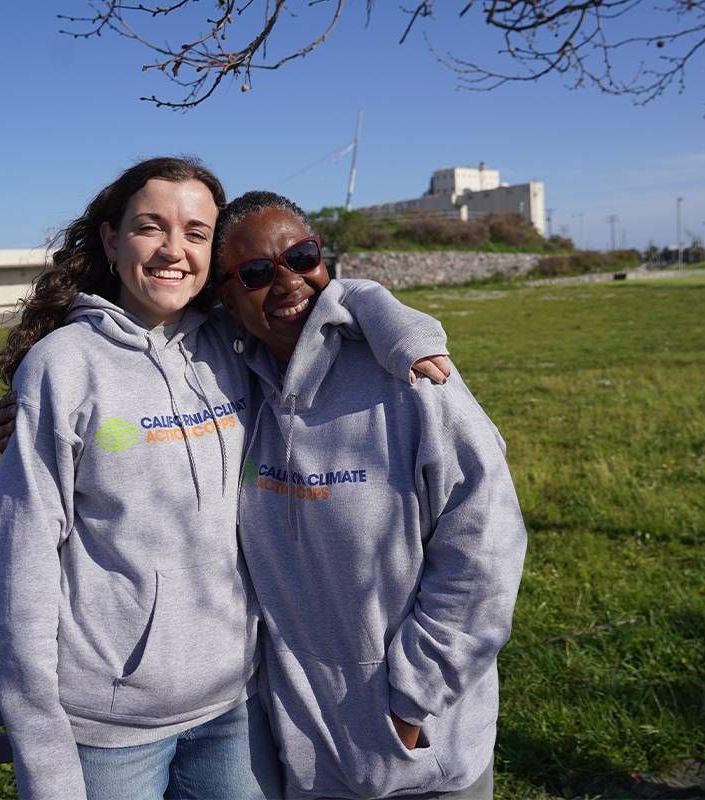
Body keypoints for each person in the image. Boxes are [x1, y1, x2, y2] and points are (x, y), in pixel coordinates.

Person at [0, 157, 450, 800]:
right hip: (112, 729)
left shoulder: (231, 346)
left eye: (196, 233)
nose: (174, 250)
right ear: (111, 241)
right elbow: (15, 576)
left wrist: (405, 332)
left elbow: (325, 294)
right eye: (151, 228)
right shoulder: (61, 369)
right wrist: (47, 764)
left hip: (237, 706)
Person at [212, 191, 527, 799]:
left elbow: (485, 546)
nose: (287, 282)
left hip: (422, 751)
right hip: (304, 754)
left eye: (302, 256)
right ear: (225, 297)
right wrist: (38, 396)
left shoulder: (412, 378)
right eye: (256, 273)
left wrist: (414, 698)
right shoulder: (234, 385)